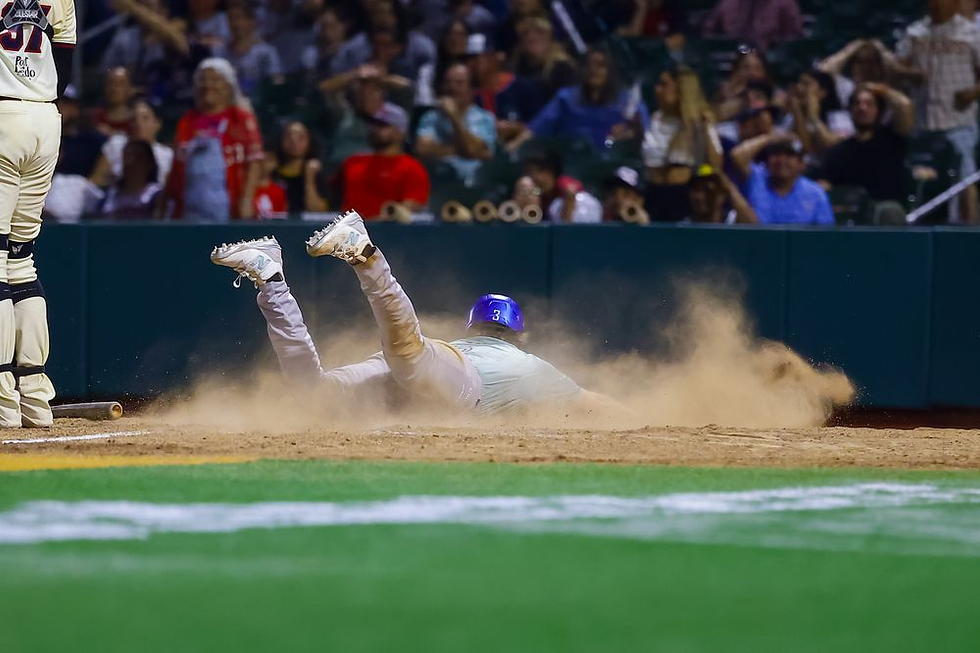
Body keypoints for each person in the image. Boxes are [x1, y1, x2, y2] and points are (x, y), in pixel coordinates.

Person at [209, 211, 623, 419]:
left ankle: (270, 275)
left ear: (474, 326)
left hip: (418, 373)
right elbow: (593, 403)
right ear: (519, 335)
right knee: (409, 354)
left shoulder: (462, 344)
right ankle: (365, 254)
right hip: (448, 379)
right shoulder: (532, 365)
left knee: (311, 395)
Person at [0, 0, 76, 428]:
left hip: (3, 113)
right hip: (45, 118)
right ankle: (34, 396)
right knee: (20, 258)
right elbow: (62, 67)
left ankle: (3, 401)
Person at [896, 0, 980, 223]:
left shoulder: (971, 33)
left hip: (959, 123)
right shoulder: (915, 32)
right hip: (922, 126)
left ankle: (969, 238)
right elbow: (897, 68)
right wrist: (909, 73)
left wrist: (974, 92)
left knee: (964, 185)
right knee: (921, 188)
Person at [165, 58, 264, 221]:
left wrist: (246, 200)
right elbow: (176, 166)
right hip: (191, 206)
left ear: (228, 86)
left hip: (229, 206)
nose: (207, 85)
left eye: (215, 79)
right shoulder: (188, 121)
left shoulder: (240, 118)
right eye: (203, 79)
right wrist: (165, 204)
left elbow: (254, 162)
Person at [511, 47, 649, 151]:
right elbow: (535, 129)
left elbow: (645, 135)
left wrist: (630, 134)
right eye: (588, 65)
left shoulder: (628, 101)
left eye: (600, 65)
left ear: (611, 70)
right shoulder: (566, 97)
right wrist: (512, 149)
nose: (593, 70)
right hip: (570, 165)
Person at [818, 83, 915, 223]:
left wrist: (881, 89)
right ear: (850, 110)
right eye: (857, 103)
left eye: (869, 104)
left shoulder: (893, 139)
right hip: (849, 213)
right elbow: (825, 183)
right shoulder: (838, 151)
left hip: (884, 212)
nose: (862, 108)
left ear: (879, 111)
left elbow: (905, 105)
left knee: (890, 212)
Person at [338, 103, 430, 218]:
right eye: (373, 124)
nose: (375, 129)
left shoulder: (412, 168)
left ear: (401, 132)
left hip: (387, 233)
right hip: (347, 232)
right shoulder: (353, 162)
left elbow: (408, 210)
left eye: (383, 125)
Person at [415, 62, 496, 184]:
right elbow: (423, 150)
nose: (452, 87)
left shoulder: (484, 118)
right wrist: (461, 150)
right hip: (436, 183)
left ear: (471, 90)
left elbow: (473, 150)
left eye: (459, 83)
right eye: (448, 82)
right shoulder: (430, 117)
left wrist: (454, 116)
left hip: (472, 185)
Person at [731, 134, 834, 225]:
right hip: (756, 244)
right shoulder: (756, 178)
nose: (781, 160)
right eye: (776, 154)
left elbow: (825, 235)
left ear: (801, 164)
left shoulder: (815, 193)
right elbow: (737, 156)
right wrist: (770, 137)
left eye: (789, 155)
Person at [89, 98, 173, 188]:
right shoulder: (117, 144)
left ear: (157, 124)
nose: (138, 123)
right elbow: (96, 180)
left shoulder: (167, 155)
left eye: (145, 118)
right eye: (134, 119)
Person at [217, 3, 284, 97]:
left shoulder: (266, 52)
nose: (235, 24)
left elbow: (276, 80)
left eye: (239, 18)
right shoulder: (220, 51)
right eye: (231, 19)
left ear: (252, 22)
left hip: (259, 102)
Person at [701, 0, 803, 50]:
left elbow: (795, 39)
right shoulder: (728, 3)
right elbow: (708, 33)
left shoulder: (784, 3)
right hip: (732, 63)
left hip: (771, 64)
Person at [274, 121, 329, 213]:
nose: (294, 141)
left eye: (300, 137)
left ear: (310, 141)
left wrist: (309, 178)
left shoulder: (317, 174)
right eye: (289, 137)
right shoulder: (272, 173)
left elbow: (317, 210)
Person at [100, 140, 163, 220]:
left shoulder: (156, 196)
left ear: (149, 164)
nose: (130, 162)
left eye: (137, 158)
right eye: (127, 156)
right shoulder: (109, 197)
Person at [684, 165, 758, 224]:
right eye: (695, 190)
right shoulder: (685, 227)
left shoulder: (731, 220)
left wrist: (729, 187)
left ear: (722, 194)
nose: (699, 197)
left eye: (707, 190)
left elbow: (755, 229)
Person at [89, 67, 134, 136]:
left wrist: (113, 134)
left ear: (129, 88)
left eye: (120, 84)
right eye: (110, 83)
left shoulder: (136, 119)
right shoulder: (94, 117)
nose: (114, 88)